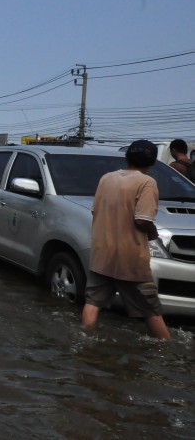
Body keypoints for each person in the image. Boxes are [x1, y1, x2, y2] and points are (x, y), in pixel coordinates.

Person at [81, 139, 170, 339]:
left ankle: (85, 340)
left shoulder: (106, 178)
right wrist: (154, 235)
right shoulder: (147, 182)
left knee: (93, 302)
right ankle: (167, 352)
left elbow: (96, 212)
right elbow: (142, 220)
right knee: (151, 310)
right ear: (153, 162)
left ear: (126, 157)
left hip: (102, 253)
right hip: (130, 259)